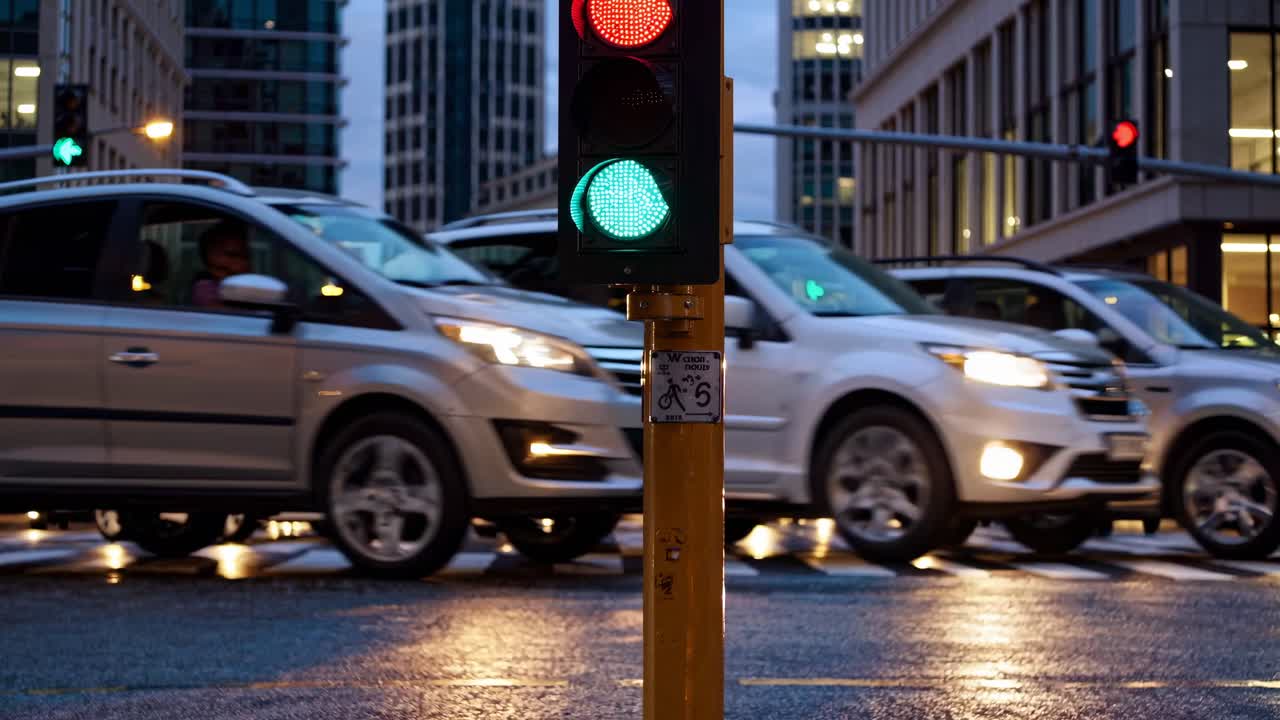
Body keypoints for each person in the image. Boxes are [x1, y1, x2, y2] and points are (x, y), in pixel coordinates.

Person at [191, 220, 250, 308]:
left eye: (244, 256)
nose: (242, 262)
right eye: (233, 255)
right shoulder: (205, 289)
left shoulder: (252, 284)